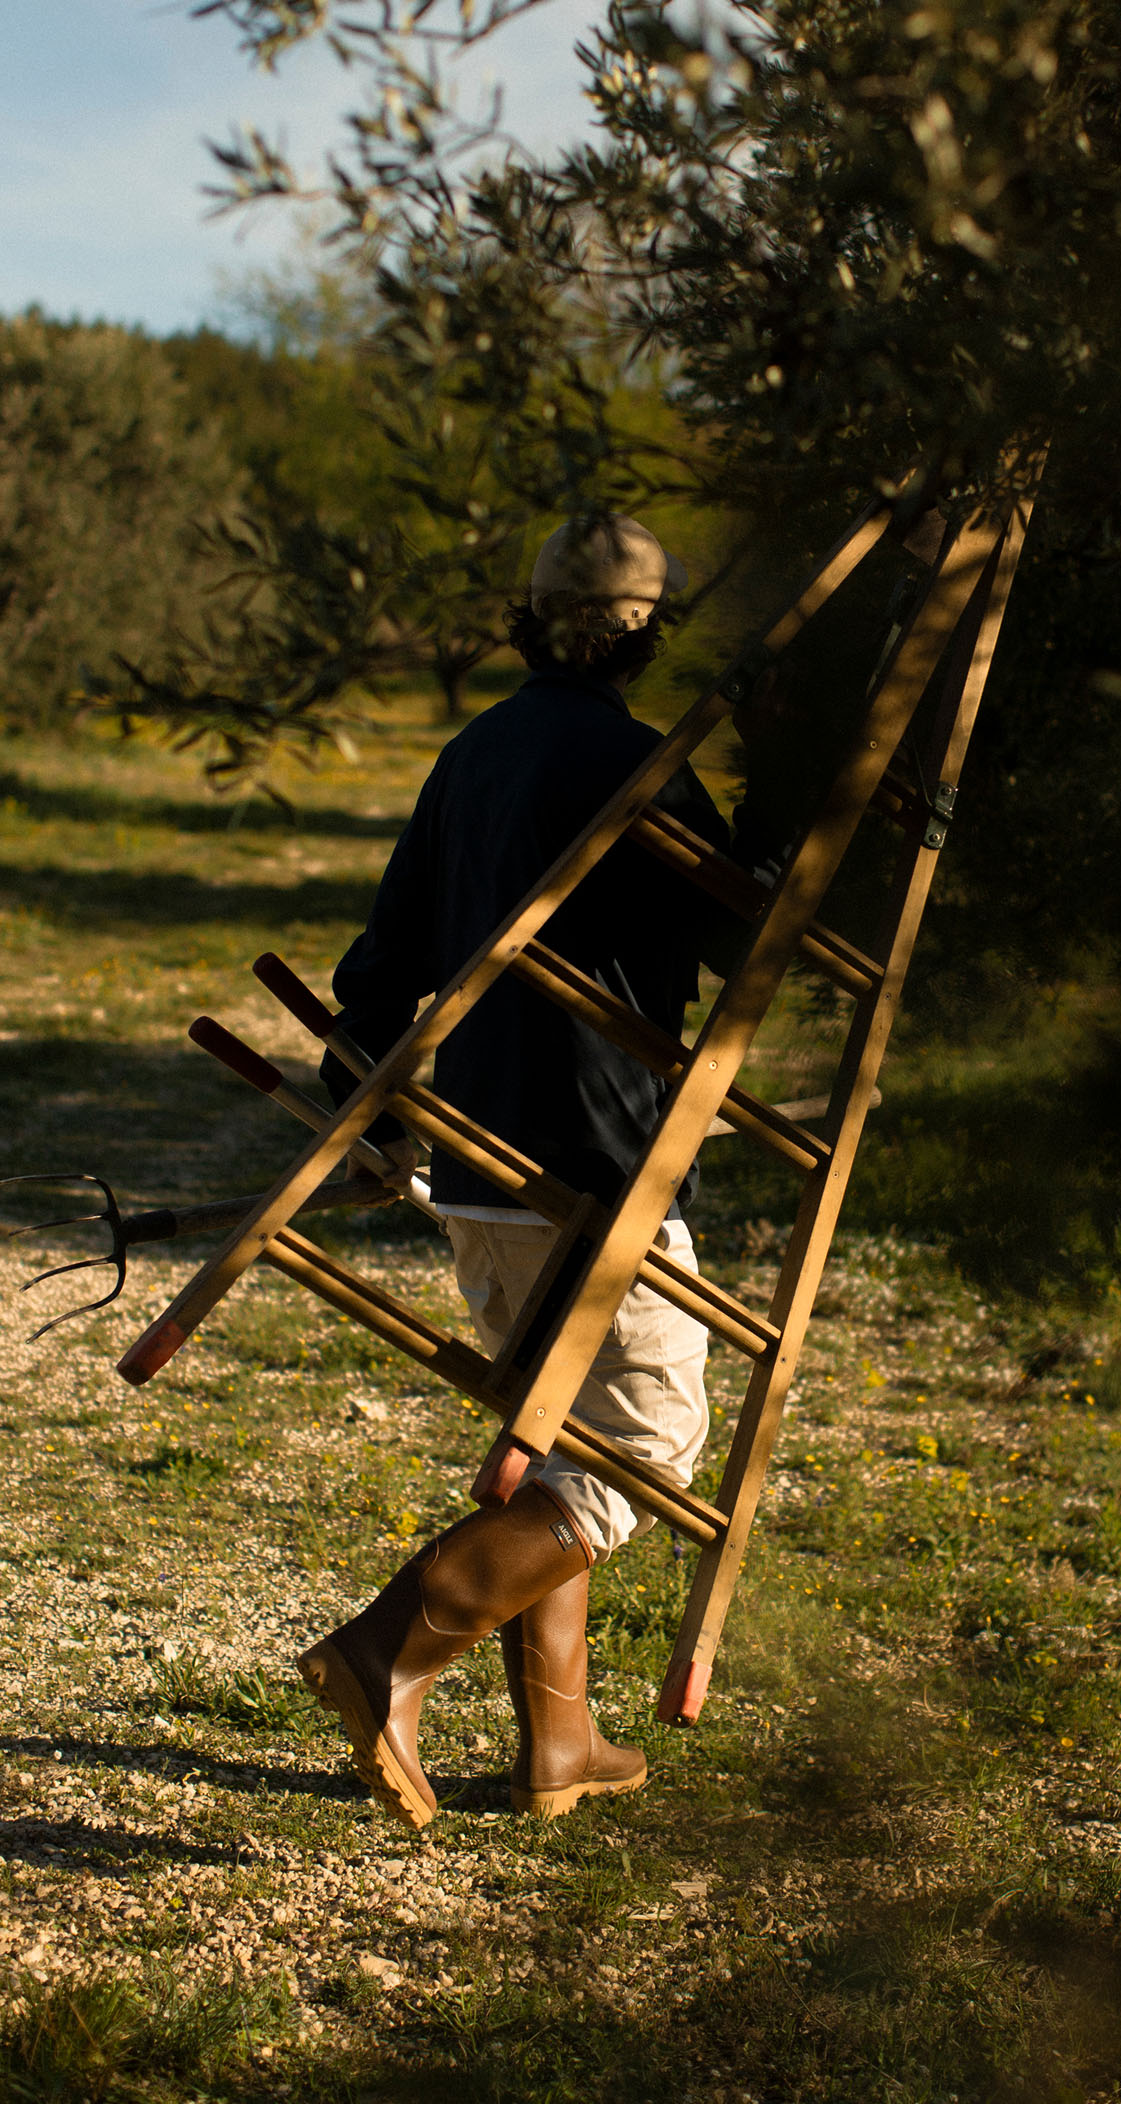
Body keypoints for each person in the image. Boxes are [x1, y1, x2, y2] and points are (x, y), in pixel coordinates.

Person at [296, 515, 777, 1829]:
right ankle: (385, 1651)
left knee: (563, 1435)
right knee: (639, 1456)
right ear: (646, 633)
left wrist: (372, 1105)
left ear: (529, 620)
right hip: (602, 1169)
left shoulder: (474, 752)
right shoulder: (640, 764)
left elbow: (384, 959)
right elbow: (748, 945)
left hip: (476, 1168)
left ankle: (559, 1741)